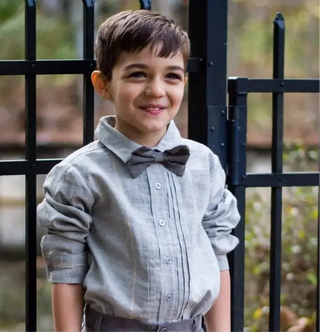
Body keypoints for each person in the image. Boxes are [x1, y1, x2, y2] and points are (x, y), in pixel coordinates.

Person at [37, 9, 240, 332]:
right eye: (138, 75)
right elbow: (66, 270)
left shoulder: (204, 164)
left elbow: (218, 253)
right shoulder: (79, 174)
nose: (156, 90)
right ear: (103, 84)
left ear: (184, 82)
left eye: (171, 76)